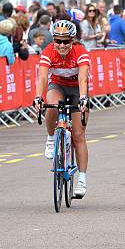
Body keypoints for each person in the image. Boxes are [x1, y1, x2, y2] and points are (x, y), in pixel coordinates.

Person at [34, 20, 91, 198]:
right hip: (58, 86)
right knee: (51, 105)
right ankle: (51, 138)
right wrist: (38, 96)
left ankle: (81, 179)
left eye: (66, 41)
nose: (62, 45)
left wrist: (83, 98)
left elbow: (83, 78)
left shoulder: (80, 52)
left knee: (79, 136)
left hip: (77, 90)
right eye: (58, 41)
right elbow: (43, 77)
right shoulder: (48, 51)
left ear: (72, 40)